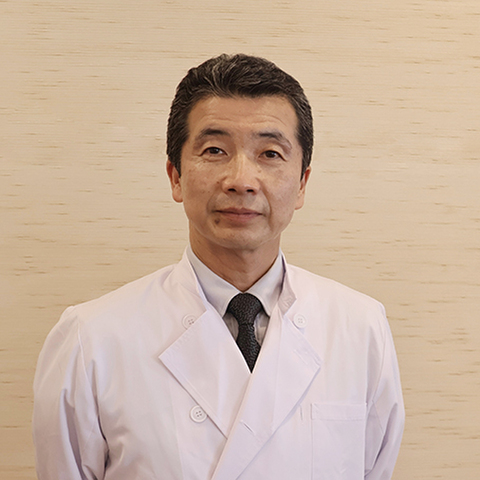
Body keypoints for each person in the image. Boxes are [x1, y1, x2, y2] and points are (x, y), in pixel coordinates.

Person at [33, 54, 404, 479]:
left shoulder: (361, 328)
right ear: (175, 176)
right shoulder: (90, 340)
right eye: (214, 150)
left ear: (302, 183)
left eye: (270, 153)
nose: (241, 180)